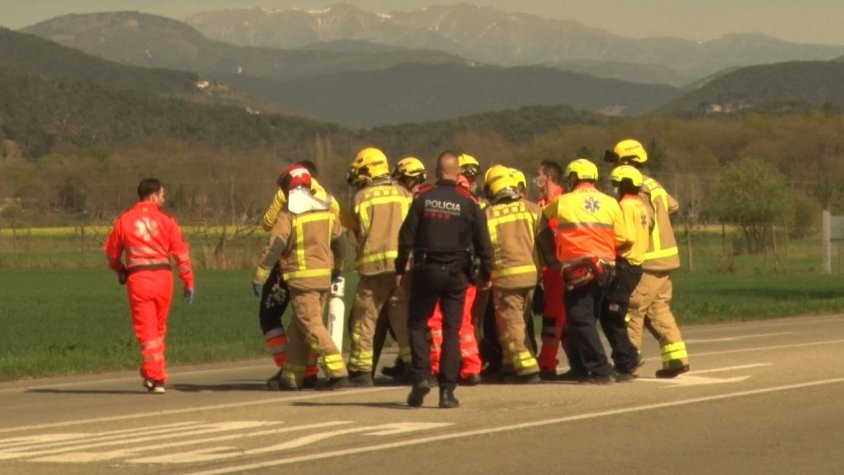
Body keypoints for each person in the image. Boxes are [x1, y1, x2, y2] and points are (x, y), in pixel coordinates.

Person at [397, 151, 493, 408]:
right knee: (452, 330)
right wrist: (486, 274)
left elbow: (406, 237)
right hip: (456, 274)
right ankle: (447, 392)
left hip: (426, 270)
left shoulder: (423, 198)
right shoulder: (468, 202)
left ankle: (421, 376)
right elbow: (484, 244)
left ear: (437, 172)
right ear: (457, 172)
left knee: (417, 323)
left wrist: (400, 268)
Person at [252, 165, 349, 390]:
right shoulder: (326, 209)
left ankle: (338, 373)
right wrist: (338, 268)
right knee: (298, 329)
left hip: (302, 280)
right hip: (323, 279)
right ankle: (292, 376)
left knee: (312, 326)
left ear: (288, 189)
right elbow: (342, 244)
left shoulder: (289, 213)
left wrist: (260, 275)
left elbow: (276, 245)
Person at [538, 159, 630, 384]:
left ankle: (600, 370)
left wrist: (553, 254)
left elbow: (542, 222)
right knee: (580, 319)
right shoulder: (611, 202)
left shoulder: (563, 201)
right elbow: (625, 238)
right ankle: (580, 367)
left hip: (579, 269)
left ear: (573, 178)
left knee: (580, 318)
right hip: (606, 269)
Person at [605, 139, 690, 378]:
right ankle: (676, 359)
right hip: (666, 261)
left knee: (632, 310)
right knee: (658, 310)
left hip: (648, 260)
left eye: (616, 161)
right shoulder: (654, 185)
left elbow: (644, 218)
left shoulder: (637, 188)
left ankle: (628, 361)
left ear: (626, 162)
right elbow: (673, 205)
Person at [104, 178, 194, 394]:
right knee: (158, 328)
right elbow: (181, 254)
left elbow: (112, 254)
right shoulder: (168, 221)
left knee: (146, 331)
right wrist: (188, 280)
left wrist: (120, 270)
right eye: (162, 195)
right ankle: (151, 373)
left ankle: (157, 377)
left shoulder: (124, 220)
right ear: (153, 196)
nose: (164, 199)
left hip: (139, 279)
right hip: (164, 278)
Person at [345, 147, 414, 387]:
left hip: (372, 270)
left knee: (364, 320)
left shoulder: (361, 198)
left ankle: (362, 371)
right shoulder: (404, 194)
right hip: (402, 269)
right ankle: (412, 365)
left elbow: (358, 231)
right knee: (402, 319)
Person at [483, 165, 542, 383]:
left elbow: (484, 250)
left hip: (506, 279)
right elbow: (544, 242)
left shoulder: (488, 215)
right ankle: (509, 366)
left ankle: (528, 369)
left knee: (512, 326)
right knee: (516, 323)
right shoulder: (532, 209)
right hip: (531, 277)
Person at [599, 165, 650, 381]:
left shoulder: (625, 206)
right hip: (634, 266)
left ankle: (626, 361)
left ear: (625, 185)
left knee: (612, 315)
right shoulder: (640, 206)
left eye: (616, 185)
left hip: (625, 265)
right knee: (609, 314)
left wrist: (603, 244)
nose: (614, 189)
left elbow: (625, 238)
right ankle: (629, 355)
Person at [533, 160, 577, 380]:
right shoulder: (540, 205)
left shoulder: (564, 204)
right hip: (547, 270)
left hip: (560, 268)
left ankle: (547, 363)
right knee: (563, 320)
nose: (537, 182)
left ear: (548, 178)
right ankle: (579, 362)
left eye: (539, 177)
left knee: (553, 316)